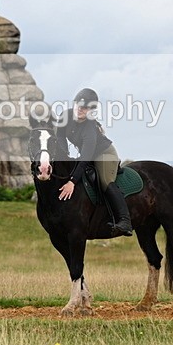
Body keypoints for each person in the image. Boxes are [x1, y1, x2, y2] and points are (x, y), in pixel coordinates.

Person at [56, 88, 133, 237]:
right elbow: (60, 136)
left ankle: (125, 221)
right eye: (80, 106)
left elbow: (86, 157)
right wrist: (64, 154)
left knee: (104, 181)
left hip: (104, 154)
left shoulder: (89, 127)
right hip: (87, 154)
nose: (81, 110)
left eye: (86, 108)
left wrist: (72, 182)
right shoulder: (65, 116)